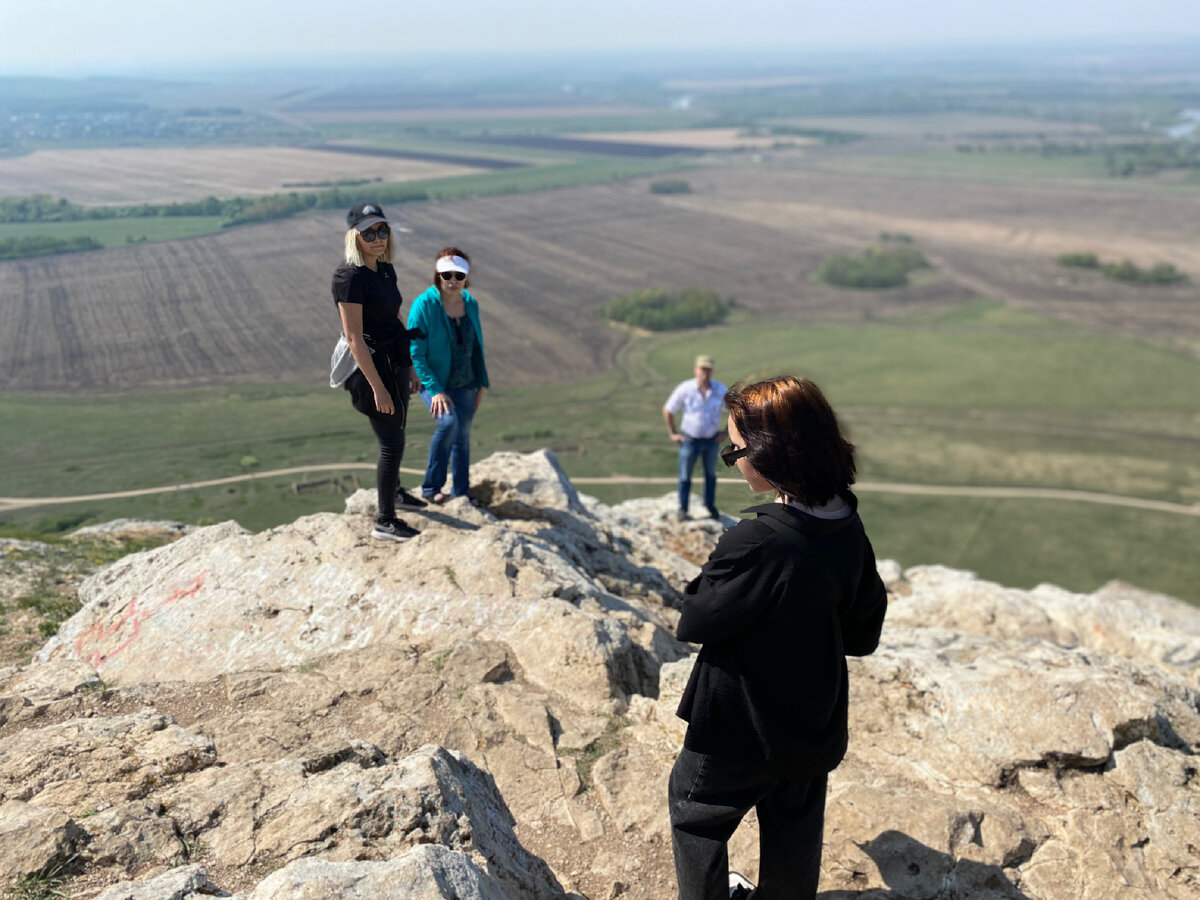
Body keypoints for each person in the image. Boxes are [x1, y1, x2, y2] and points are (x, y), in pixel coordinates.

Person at [668, 375, 888, 900]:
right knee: (795, 829)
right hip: (812, 722)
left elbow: (696, 619)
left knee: (696, 814)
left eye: (735, 450)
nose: (733, 458)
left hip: (737, 726)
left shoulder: (758, 541)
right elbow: (863, 634)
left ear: (771, 454)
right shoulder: (847, 525)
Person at [332, 201, 426, 543]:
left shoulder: (384, 269)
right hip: (370, 370)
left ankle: (396, 493)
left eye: (382, 230)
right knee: (391, 443)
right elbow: (354, 337)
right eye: (368, 232)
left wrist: (410, 366)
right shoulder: (350, 276)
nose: (377, 238)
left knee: (398, 431)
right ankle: (385, 521)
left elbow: (393, 320)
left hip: (394, 362)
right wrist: (378, 389)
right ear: (354, 237)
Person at [408, 247, 490, 504]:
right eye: (447, 275)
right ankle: (431, 489)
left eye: (458, 275)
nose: (452, 281)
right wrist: (435, 390)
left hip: (466, 382)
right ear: (437, 275)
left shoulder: (470, 303)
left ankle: (461, 494)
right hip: (434, 382)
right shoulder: (424, 306)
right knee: (448, 424)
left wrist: (480, 384)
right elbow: (416, 353)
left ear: (466, 277)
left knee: (463, 438)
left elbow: (476, 346)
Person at [663, 355, 727, 520]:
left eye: (707, 369)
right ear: (696, 370)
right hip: (690, 439)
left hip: (711, 440)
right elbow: (669, 409)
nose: (704, 372)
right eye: (701, 368)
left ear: (711, 371)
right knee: (685, 476)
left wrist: (726, 432)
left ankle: (710, 506)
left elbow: (735, 410)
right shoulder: (685, 388)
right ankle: (683, 508)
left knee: (710, 475)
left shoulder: (720, 390)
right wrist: (673, 433)